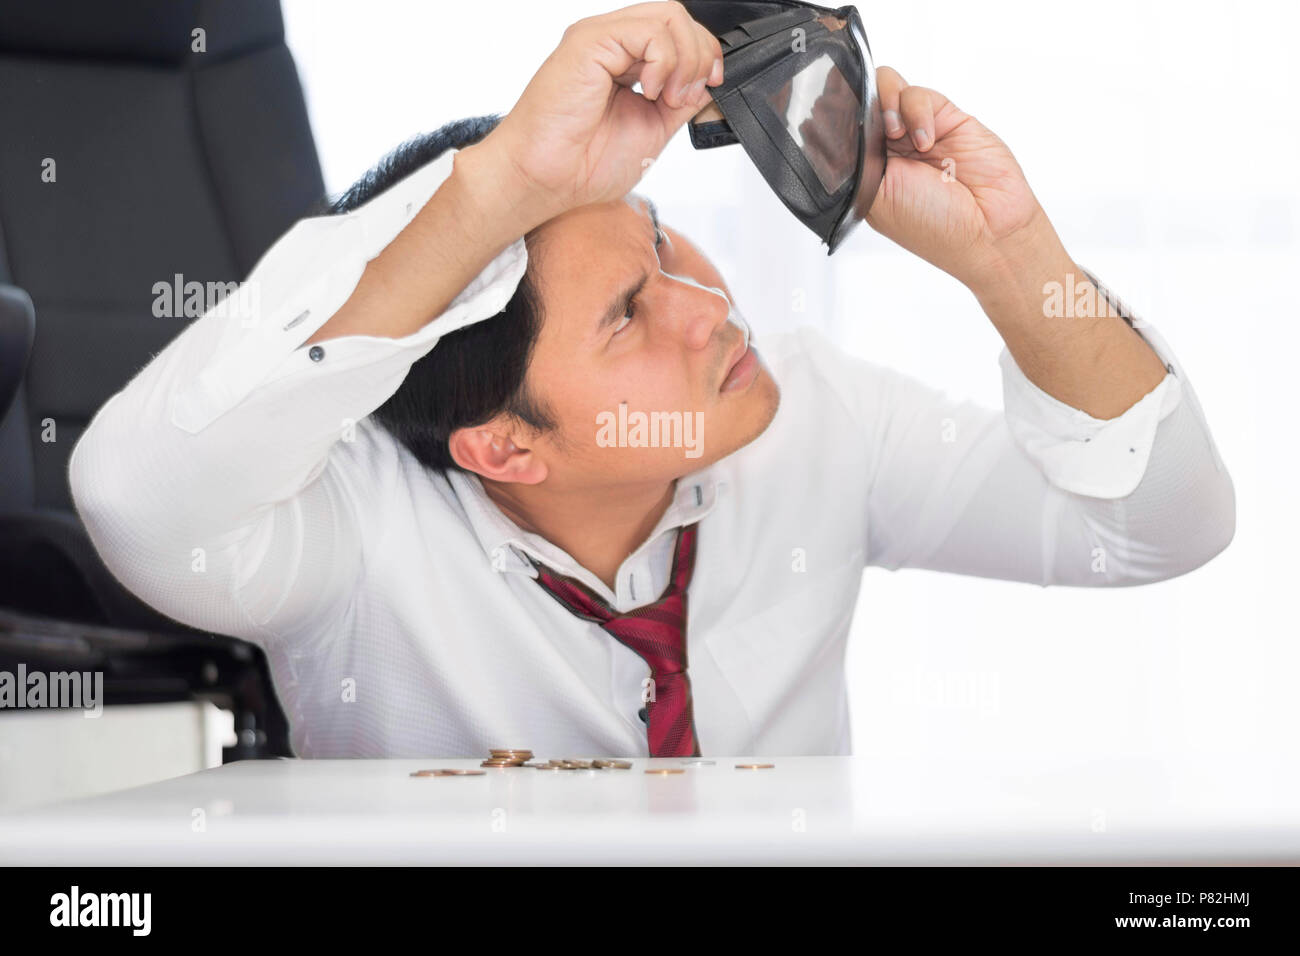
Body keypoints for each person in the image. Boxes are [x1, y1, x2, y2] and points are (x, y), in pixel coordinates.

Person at [68, 2, 1234, 758]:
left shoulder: (813, 418)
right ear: (504, 446)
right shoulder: (355, 532)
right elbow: (132, 496)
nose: (708, 305)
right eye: (629, 311)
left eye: (666, 240)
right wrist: (497, 187)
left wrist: (1008, 254)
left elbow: (1158, 528)